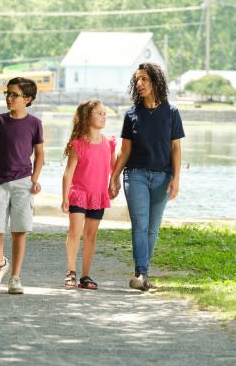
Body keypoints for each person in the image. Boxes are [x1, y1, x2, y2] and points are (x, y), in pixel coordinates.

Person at [109, 62, 184, 292]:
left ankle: (144, 274)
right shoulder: (131, 114)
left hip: (163, 177)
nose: (139, 84)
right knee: (140, 226)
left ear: (155, 82)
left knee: (153, 229)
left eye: (144, 79)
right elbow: (125, 150)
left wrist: (176, 178)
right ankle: (140, 273)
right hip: (136, 175)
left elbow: (175, 149)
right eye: (137, 80)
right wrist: (114, 177)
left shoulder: (171, 113)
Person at [0, 77, 44, 295]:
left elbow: (40, 155)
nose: (9, 98)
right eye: (8, 93)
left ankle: (15, 277)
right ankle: (0, 263)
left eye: (14, 94)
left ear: (27, 99)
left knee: (19, 232)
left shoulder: (35, 123)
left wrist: (35, 179)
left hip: (23, 183)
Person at [60, 100, 116, 290]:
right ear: (87, 117)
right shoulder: (78, 145)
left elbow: (113, 169)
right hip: (79, 194)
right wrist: (64, 197)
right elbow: (68, 173)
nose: (103, 117)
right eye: (99, 113)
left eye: (105, 113)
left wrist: (113, 184)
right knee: (75, 233)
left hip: (98, 196)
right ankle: (70, 271)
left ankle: (85, 276)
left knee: (91, 236)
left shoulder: (109, 143)